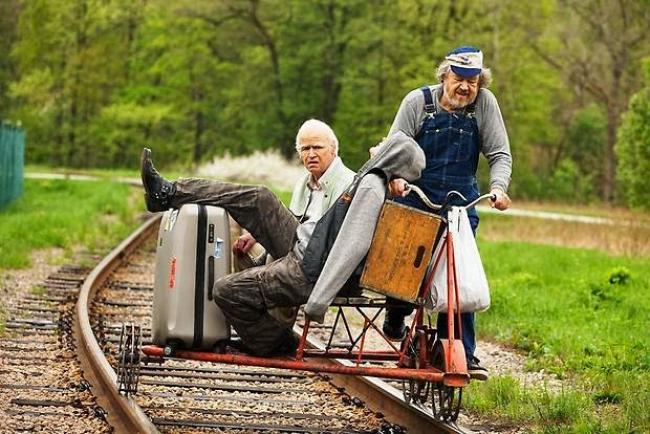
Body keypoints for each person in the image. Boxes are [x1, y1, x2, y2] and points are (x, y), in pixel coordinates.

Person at [140, 131, 425, 357]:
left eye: (385, 144)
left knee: (225, 290)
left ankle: (273, 341)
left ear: (392, 154)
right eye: (305, 148)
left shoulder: (370, 187)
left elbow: (352, 246)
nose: (379, 144)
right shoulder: (371, 178)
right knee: (260, 198)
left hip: (309, 268)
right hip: (306, 244)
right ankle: (168, 193)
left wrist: (318, 301)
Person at [382, 46, 513, 381]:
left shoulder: (485, 104)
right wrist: (395, 178)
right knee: (402, 267)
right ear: (444, 75)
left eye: (473, 81)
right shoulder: (417, 103)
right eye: (459, 79)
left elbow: (499, 153)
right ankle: (396, 312)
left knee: (460, 278)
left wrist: (498, 188)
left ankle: (461, 353)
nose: (466, 87)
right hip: (416, 194)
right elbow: (394, 147)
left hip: (460, 200)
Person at [232, 119, 354, 268]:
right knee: (245, 249)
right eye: (305, 149)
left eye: (317, 147)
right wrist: (257, 235)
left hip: (318, 260)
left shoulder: (349, 183)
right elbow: (291, 222)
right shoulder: (303, 183)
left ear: (333, 150)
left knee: (263, 199)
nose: (311, 154)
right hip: (293, 247)